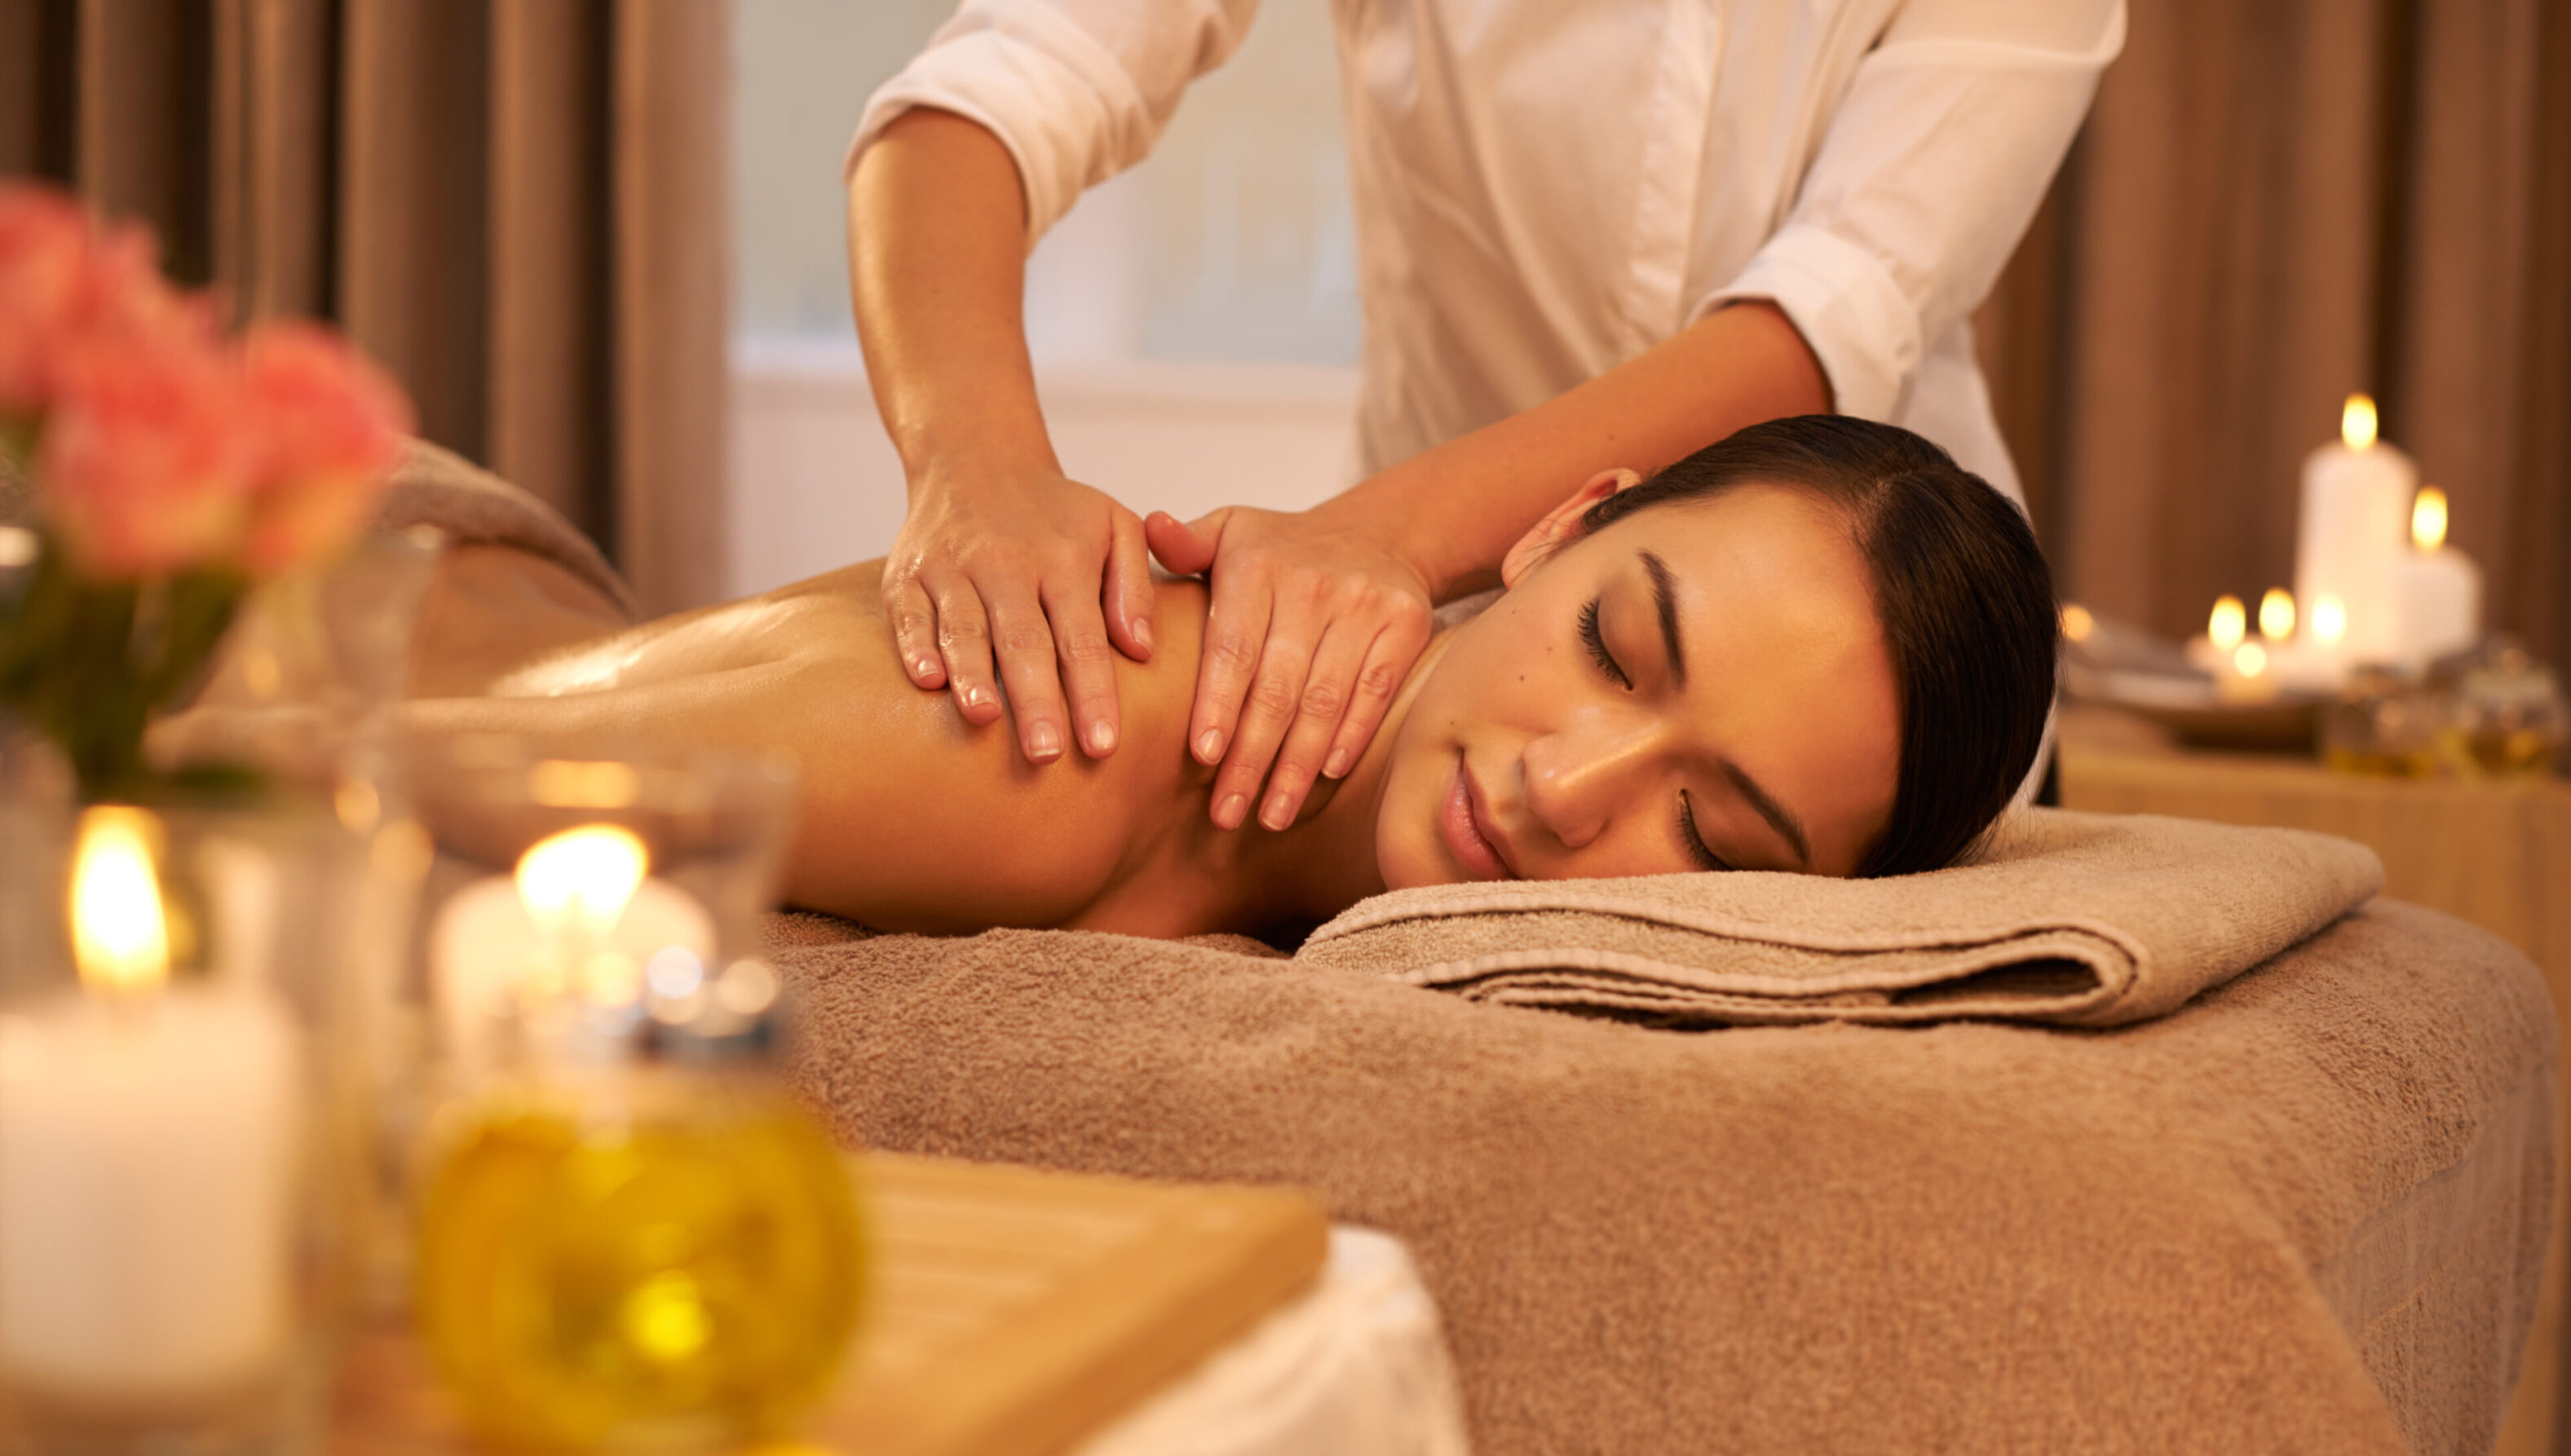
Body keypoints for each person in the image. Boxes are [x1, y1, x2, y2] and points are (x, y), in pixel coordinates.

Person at [845, 0, 2121, 839]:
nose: (1568, 792)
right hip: (1429, 648)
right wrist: (978, 469)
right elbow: (991, 93)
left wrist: (1376, 542)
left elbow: (1819, 326)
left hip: (1864, 730)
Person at [369, 416, 2053, 941]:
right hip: (332, 564)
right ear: (1554, 531)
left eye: (1709, 837)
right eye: (1614, 652)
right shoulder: (1076, 734)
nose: (1564, 789)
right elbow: (321, 760)